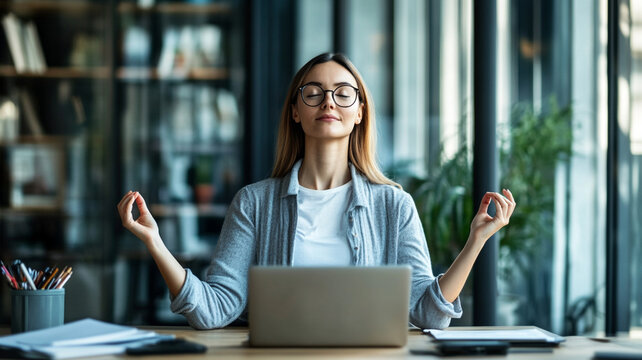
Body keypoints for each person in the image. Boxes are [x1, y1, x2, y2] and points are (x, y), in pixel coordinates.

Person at [117, 53, 516, 330]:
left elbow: (427, 313)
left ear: (359, 112)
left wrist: (476, 241)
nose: (329, 101)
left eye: (343, 92)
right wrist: (155, 243)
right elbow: (213, 310)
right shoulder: (254, 203)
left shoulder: (394, 205)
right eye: (314, 92)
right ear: (295, 110)